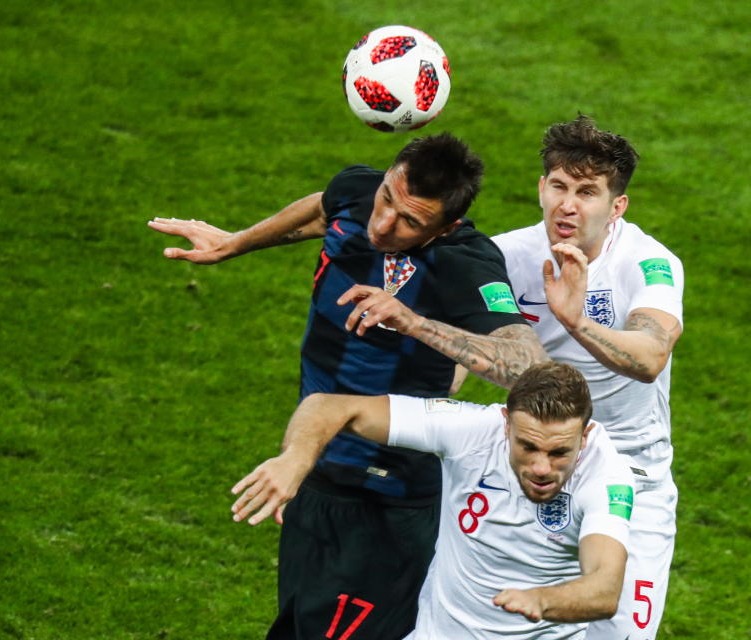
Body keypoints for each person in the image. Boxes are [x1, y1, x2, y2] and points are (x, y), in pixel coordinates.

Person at [148, 133, 547, 640]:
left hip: (387, 500)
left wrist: (415, 323)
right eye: (386, 200)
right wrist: (237, 242)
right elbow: (321, 210)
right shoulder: (360, 190)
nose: (383, 224)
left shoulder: (465, 262)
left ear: (444, 227)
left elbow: (529, 366)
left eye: (409, 222)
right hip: (312, 473)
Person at [231, 362, 635, 639]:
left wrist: (540, 599)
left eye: (559, 453)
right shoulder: (472, 431)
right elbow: (329, 406)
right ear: (506, 424)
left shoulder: (606, 478)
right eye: (528, 446)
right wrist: (296, 460)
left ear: (585, 435)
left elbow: (604, 588)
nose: (542, 467)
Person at [492, 116, 684, 640]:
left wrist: (577, 320)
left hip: (631, 473)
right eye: (558, 186)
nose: (567, 205)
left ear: (616, 205)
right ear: (541, 187)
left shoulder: (648, 264)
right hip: (530, 463)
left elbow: (650, 358)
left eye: (587, 192)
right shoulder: (504, 257)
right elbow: (465, 358)